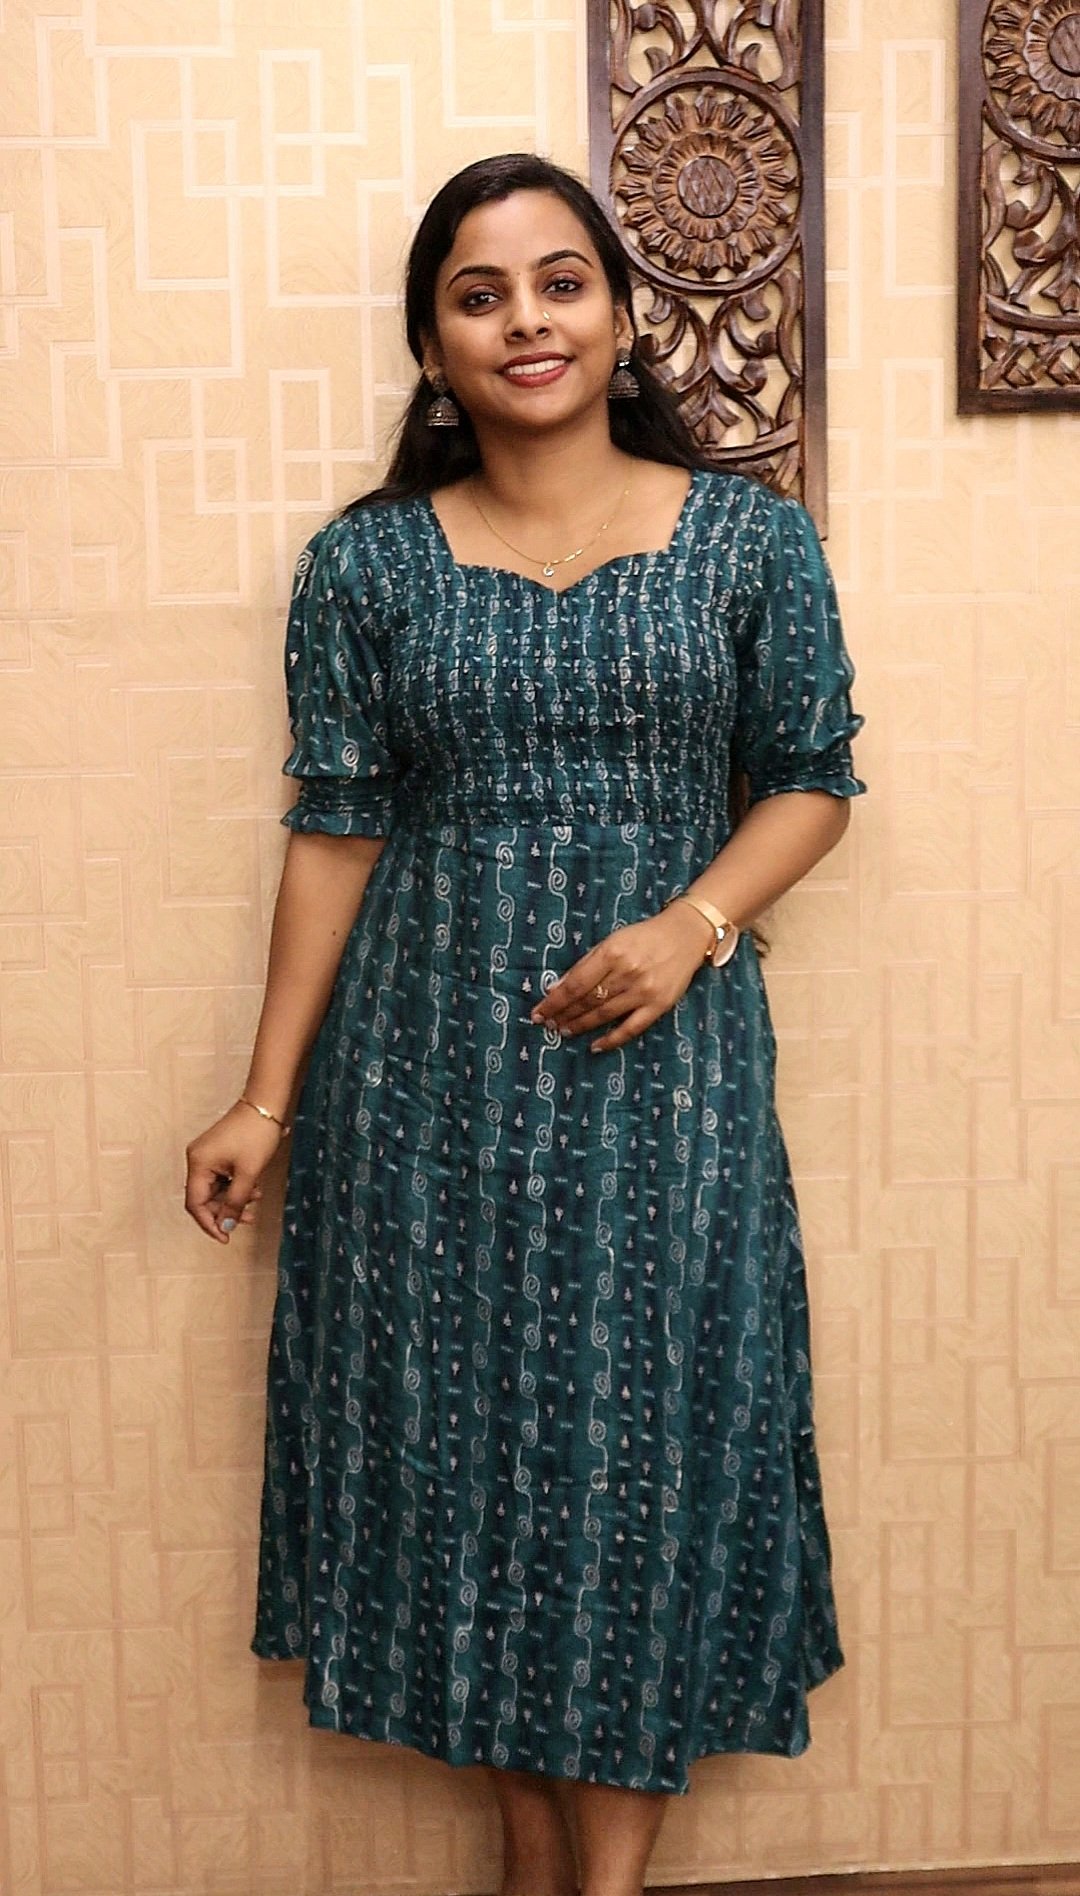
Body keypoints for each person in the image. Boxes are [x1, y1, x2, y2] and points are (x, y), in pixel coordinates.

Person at [185, 151, 866, 1896]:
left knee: (647, 1453)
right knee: (459, 1461)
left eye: (562, 282)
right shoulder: (365, 566)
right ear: (434, 345)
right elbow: (338, 827)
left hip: (667, 1081)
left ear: (624, 314)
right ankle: (527, 1860)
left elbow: (811, 781)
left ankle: (608, 1883)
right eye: (479, 296)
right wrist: (265, 1099)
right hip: (425, 1088)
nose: (526, 321)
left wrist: (692, 926)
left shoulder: (751, 541)